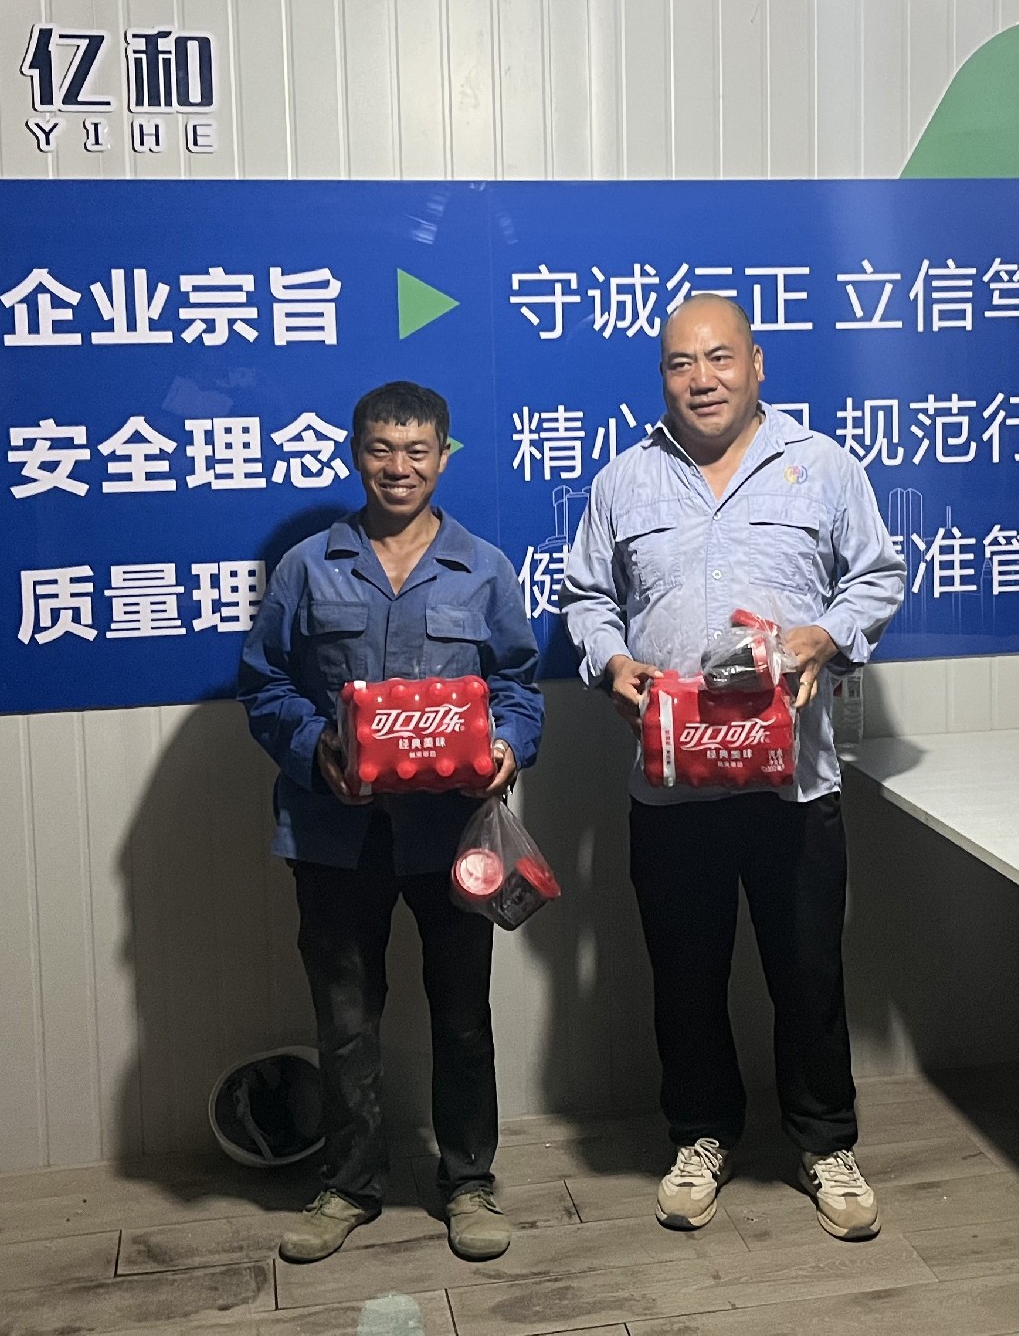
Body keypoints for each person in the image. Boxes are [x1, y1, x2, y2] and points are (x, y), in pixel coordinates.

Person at [562, 295, 906, 1240]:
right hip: (672, 784)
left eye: (720, 358)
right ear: (662, 377)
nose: (701, 379)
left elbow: (879, 575)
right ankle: (700, 1136)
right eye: (681, 364)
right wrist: (610, 660)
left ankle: (825, 1143)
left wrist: (826, 635)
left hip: (793, 782)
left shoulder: (822, 466)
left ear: (758, 364)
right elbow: (586, 596)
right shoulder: (624, 481)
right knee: (685, 975)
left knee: (808, 972)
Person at [239, 380, 543, 1264]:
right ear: (354, 454)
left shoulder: (483, 568)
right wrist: (316, 751)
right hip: (335, 835)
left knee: (463, 1016)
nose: (398, 467)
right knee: (346, 1019)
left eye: (416, 451)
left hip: (453, 835)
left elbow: (519, 688)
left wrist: (508, 749)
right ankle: (348, 1185)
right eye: (381, 449)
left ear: (443, 457)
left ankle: (469, 1181)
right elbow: (264, 684)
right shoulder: (308, 567)